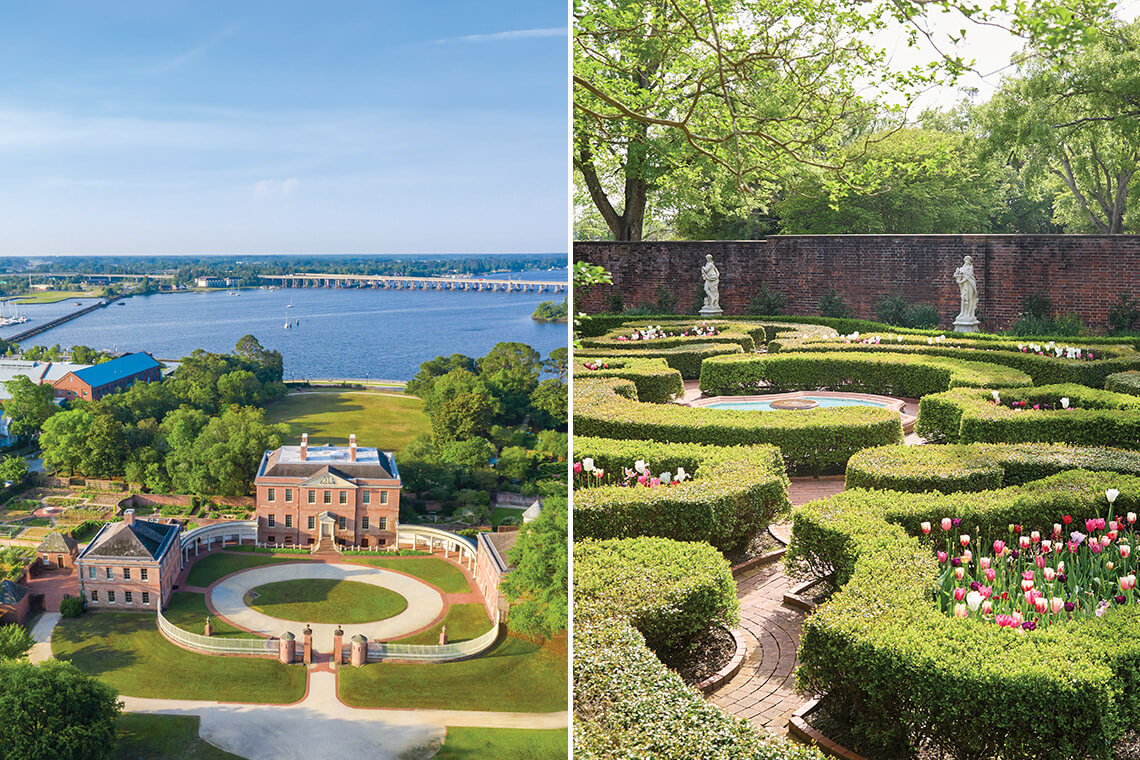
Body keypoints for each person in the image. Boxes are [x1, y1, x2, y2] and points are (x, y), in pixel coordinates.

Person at [954, 255, 978, 321]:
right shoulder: (961, 268)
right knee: (963, 298)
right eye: (966, 259)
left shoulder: (970, 267)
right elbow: (956, 275)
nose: (967, 261)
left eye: (968, 260)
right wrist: (957, 276)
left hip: (969, 284)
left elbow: (968, 277)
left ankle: (969, 313)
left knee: (969, 299)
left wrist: (961, 281)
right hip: (964, 285)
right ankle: (962, 313)